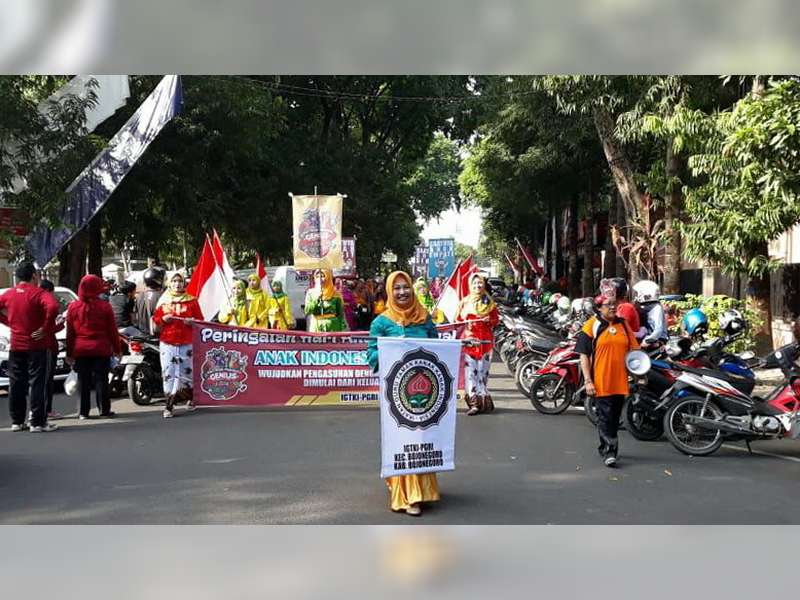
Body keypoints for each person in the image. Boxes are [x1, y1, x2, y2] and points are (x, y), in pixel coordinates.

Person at [367, 271, 441, 517]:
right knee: (403, 440)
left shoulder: (425, 318)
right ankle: (407, 496)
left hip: (426, 391)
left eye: (405, 287)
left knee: (423, 438)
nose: (402, 292)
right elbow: (371, 356)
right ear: (389, 291)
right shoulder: (381, 322)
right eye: (396, 288)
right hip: (396, 394)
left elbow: (438, 349)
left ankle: (425, 490)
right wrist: (391, 346)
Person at [576, 294, 639, 467]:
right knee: (605, 416)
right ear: (599, 308)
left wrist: (640, 376)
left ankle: (604, 446)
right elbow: (584, 355)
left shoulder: (623, 325)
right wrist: (588, 381)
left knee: (613, 417)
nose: (612, 307)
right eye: (608, 304)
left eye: (614, 304)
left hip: (620, 380)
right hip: (600, 380)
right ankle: (610, 451)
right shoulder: (591, 325)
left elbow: (634, 352)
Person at [0, 263, 60, 432]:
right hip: (37, 345)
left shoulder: (9, 294)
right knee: (38, 383)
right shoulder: (38, 293)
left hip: (16, 345)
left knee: (16, 383)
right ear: (34, 276)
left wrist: (9, 323)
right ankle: (37, 422)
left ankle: (17, 421)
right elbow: (53, 307)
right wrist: (45, 328)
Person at [66, 275, 122, 420]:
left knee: (83, 381)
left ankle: (83, 412)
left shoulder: (73, 307)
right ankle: (104, 409)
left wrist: (69, 353)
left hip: (81, 349)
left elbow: (70, 333)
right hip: (101, 348)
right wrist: (117, 349)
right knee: (101, 380)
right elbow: (112, 331)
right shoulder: (105, 306)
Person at [152, 273, 204, 418]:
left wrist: (192, 321)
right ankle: (169, 405)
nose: (177, 284)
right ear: (169, 283)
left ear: (184, 283)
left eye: (180, 281)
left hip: (187, 342)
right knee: (169, 373)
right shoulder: (164, 301)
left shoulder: (192, 301)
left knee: (187, 372)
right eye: (174, 281)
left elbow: (201, 319)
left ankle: (190, 398)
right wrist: (163, 319)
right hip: (168, 342)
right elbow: (156, 319)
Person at [456, 273, 500, 415]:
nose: (477, 286)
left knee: (483, 373)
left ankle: (484, 402)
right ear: (470, 285)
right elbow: (456, 320)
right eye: (474, 284)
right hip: (470, 342)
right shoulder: (464, 302)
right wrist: (465, 321)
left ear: (483, 285)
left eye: (480, 283)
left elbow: (496, 320)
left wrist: (489, 320)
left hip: (486, 342)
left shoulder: (489, 302)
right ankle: (474, 403)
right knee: (470, 373)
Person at [39, 279, 66, 420]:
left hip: (39, 347)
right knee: (47, 380)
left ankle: (39, 410)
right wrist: (60, 325)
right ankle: (46, 410)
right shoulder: (47, 305)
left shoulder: (35, 304)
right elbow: (48, 329)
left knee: (40, 379)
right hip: (48, 346)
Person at [632, 280, 668, 349]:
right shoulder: (644, 307)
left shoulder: (656, 308)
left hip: (656, 343)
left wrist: (647, 341)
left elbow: (658, 330)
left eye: (637, 293)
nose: (636, 296)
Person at [135, 267, 165, 335]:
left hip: (142, 334)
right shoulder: (163, 296)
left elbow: (136, 316)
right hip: (156, 334)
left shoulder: (139, 296)